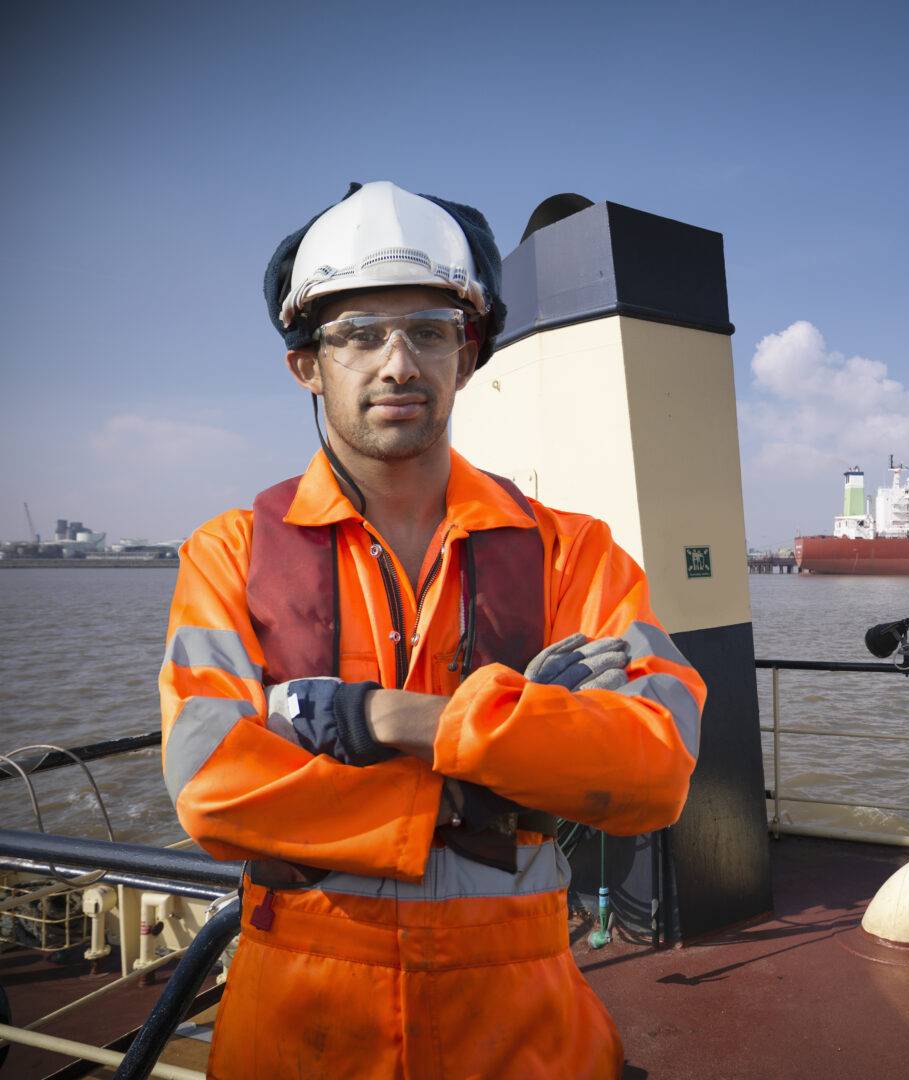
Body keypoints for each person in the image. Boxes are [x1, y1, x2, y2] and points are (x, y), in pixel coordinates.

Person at [159, 180, 705, 1078]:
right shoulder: (232, 554)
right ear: (306, 365)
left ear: (468, 353)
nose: (397, 364)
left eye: (429, 331)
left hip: (523, 1028)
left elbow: (656, 766)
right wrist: (488, 784)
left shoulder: (571, 551)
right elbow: (211, 782)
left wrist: (384, 719)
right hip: (301, 1028)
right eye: (357, 334)